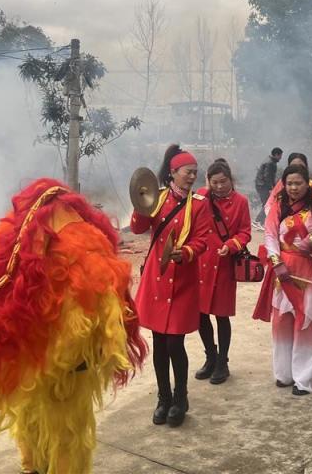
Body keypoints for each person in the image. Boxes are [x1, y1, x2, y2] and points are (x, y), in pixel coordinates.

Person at [132, 145, 211, 427]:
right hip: (158, 277)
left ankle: (181, 398)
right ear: (173, 173)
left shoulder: (200, 204)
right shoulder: (158, 198)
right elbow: (140, 228)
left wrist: (186, 252)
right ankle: (163, 398)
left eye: (194, 173)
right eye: (188, 172)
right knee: (159, 343)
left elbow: (202, 240)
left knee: (175, 343)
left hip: (183, 281)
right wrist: (141, 203)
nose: (192, 177)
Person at [253, 165, 312, 394]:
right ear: (284, 184)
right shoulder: (277, 206)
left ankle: (304, 380)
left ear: (307, 185)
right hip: (282, 270)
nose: (294, 187)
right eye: (290, 183)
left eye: (298, 183)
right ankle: (283, 374)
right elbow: (270, 235)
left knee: (305, 321)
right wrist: (276, 262)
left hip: (307, 270)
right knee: (281, 320)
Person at [195, 159, 251, 385]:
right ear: (208, 182)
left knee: (222, 314)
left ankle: (222, 362)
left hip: (225, 264)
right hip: (200, 261)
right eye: (214, 182)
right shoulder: (200, 196)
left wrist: (233, 245)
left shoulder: (241, 202)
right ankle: (211, 356)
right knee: (200, 314)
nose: (219, 187)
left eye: (223, 182)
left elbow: (246, 231)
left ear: (231, 180)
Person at [254, 148, 283, 224]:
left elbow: (270, 177)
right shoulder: (270, 163)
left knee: (266, 203)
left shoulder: (270, 161)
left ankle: (260, 221)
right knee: (267, 203)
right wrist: (270, 188)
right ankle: (258, 221)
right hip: (263, 186)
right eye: (280, 155)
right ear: (276, 154)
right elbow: (267, 177)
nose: (281, 157)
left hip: (261, 185)